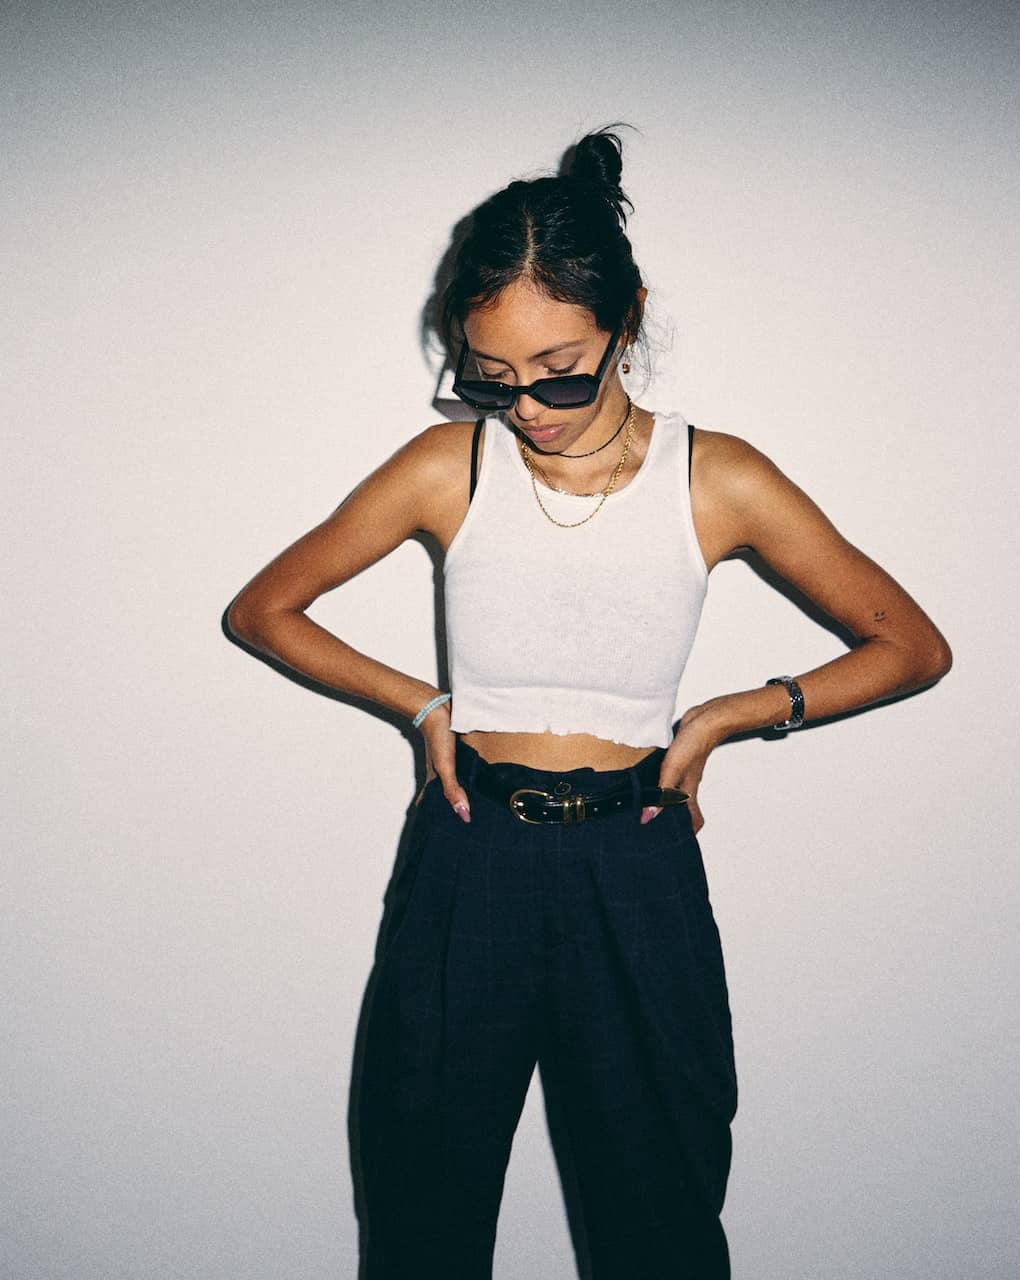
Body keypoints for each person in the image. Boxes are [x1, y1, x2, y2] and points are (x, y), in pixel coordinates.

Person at [226, 127, 951, 1279]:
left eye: (562, 369)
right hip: (469, 862)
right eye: (491, 378)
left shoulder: (717, 475)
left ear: (627, 321)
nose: (530, 408)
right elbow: (265, 609)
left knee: (657, 1218)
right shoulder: (447, 465)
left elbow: (910, 644)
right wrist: (423, 707)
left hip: (637, 860)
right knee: (422, 1211)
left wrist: (728, 714)